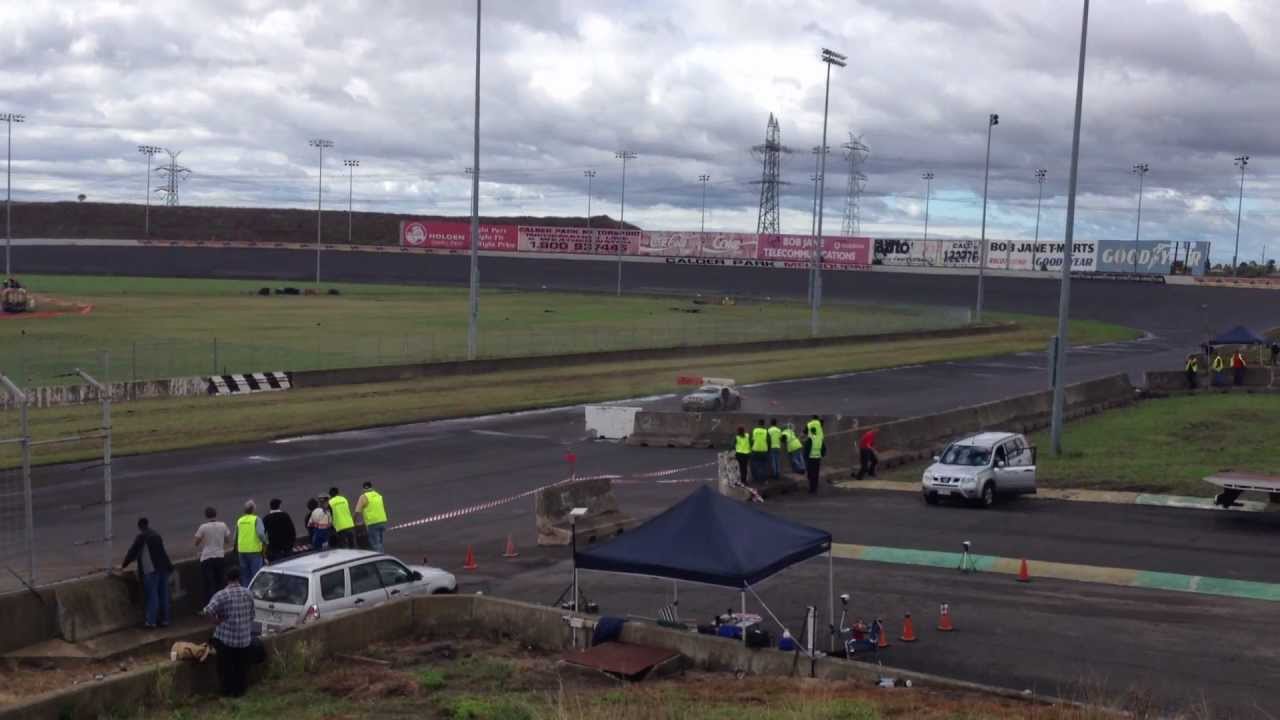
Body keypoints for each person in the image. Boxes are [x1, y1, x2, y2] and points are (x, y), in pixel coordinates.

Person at [202, 566, 256, 698]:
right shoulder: (248, 593)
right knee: (241, 668)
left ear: (227, 579)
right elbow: (252, 615)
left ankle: (227, 691)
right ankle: (240, 691)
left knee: (225, 666)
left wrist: (216, 621)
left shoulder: (221, 595)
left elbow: (207, 611)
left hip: (227, 641)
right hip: (244, 640)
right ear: (239, 578)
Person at [121, 517, 173, 629]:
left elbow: (133, 552)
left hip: (151, 570)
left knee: (152, 596)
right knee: (164, 595)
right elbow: (163, 552)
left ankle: (151, 622)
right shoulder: (156, 535)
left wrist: (123, 564)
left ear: (139, 526)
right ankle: (165, 620)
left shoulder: (142, 537)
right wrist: (169, 566)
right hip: (163, 568)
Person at [193, 507, 231, 606]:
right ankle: (222, 604)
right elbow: (227, 540)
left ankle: (208, 606)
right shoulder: (223, 525)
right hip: (219, 556)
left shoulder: (203, 527)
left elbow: (196, 542)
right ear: (216, 514)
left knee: (208, 584)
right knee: (220, 582)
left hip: (207, 557)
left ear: (206, 516)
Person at [235, 500, 267, 582]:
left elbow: (235, 537)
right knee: (256, 575)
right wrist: (265, 542)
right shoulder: (256, 519)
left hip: (242, 551)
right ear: (253, 509)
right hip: (254, 550)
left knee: (245, 575)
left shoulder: (240, 520)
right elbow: (260, 534)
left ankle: (246, 592)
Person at [356, 481, 388, 552]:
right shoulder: (378, 495)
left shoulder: (363, 496)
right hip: (382, 520)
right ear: (371, 487)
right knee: (380, 542)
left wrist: (353, 521)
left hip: (372, 522)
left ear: (364, 488)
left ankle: (379, 559)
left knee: (375, 544)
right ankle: (383, 556)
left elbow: (357, 511)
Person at [262, 498, 297, 562]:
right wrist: (291, 544)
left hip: (274, 547)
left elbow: (262, 533)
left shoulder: (266, 518)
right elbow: (292, 531)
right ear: (279, 506)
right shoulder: (285, 516)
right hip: (287, 547)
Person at [802, 427, 824, 494]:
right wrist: (822, 455)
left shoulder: (810, 440)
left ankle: (812, 489)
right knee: (816, 474)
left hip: (811, 459)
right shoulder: (819, 439)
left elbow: (806, 450)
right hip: (817, 458)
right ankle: (815, 488)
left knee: (811, 474)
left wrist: (805, 458)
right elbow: (823, 448)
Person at [749, 420, 770, 485]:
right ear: (764, 424)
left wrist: (751, 448)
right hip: (764, 451)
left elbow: (751, 441)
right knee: (764, 466)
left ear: (758, 424)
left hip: (755, 450)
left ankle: (756, 478)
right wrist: (768, 450)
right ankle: (764, 480)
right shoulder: (766, 431)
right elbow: (769, 442)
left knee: (755, 465)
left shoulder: (754, 431)